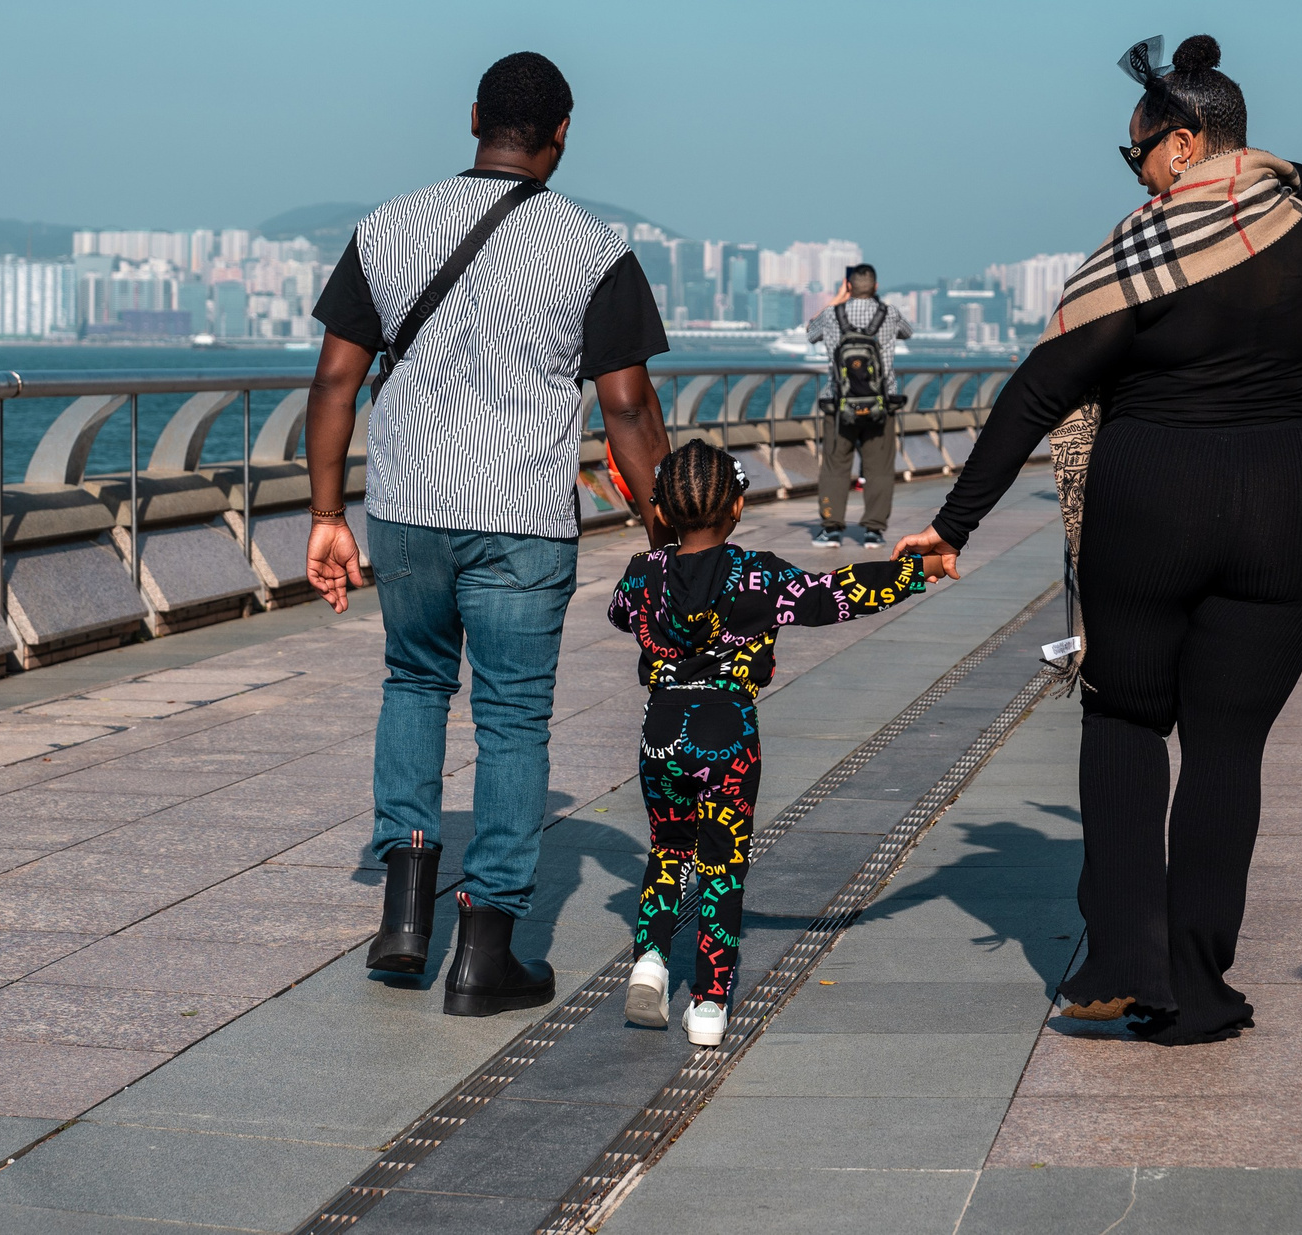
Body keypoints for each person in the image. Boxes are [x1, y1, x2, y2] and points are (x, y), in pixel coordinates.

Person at [897, 33, 1302, 1047]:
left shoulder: (1140, 259)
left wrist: (950, 524)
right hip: (1289, 507)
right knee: (1226, 753)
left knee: (1123, 725)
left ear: (1187, 144)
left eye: (1138, 152)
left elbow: (1038, 390)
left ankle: (1119, 961)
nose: (1136, 175)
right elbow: (1300, 176)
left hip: (1151, 503)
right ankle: (1196, 992)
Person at [305, 51, 673, 1018]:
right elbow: (628, 409)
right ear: (564, 131)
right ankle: (485, 950)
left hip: (409, 508)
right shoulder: (595, 249)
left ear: (473, 116)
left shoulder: (386, 225)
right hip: (520, 516)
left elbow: (335, 382)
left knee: (414, 683)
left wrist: (326, 515)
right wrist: (664, 527)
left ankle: (403, 916)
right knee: (511, 720)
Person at [608, 441, 946, 1046]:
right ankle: (709, 1006)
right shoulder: (758, 574)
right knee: (721, 866)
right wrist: (914, 572)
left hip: (661, 729)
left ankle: (650, 964)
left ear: (659, 511)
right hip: (727, 732)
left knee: (666, 850)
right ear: (738, 507)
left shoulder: (643, 574)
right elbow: (832, 594)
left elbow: (618, 612)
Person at [807, 265, 911, 547]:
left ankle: (831, 529)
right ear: (875, 287)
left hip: (839, 406)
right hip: (882, 405)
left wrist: (837, 300)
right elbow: (907, 332)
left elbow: (810, 333)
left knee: (834, 466)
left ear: (848, 286)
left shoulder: (831, 314)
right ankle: (873, 531)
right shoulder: (889, 313)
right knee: (879, 468)